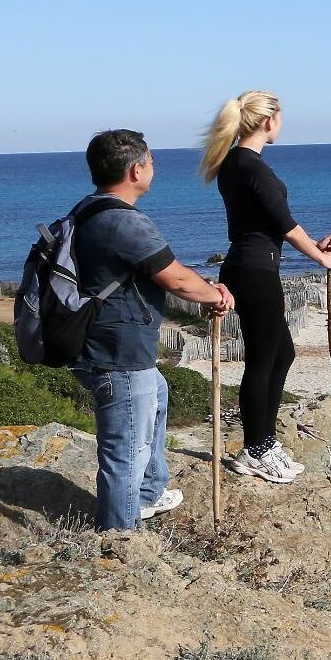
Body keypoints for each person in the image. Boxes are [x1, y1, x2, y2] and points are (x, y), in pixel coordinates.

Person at [70, 129, 234, 531]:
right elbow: (176, 279)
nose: (154, 169)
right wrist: (213, 295)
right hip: (117, 353)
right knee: (125, 448)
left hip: (99, 344)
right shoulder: (124, 223)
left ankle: (148, 492)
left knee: (157, 393)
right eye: (152, 162)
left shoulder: (87, 210)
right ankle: (120, 536)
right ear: (136, 169)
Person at [198, 91, 331, 485]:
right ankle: (255, 450)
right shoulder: (252, 166)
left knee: (282, 353)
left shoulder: (233, 162)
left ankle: (263, 442)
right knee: (263, 359)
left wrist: (316, 246)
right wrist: (321, 257)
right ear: (268, 122)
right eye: (281, 118)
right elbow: (284, 224)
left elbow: (278, 220)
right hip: (256, 272)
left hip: (249, 267)